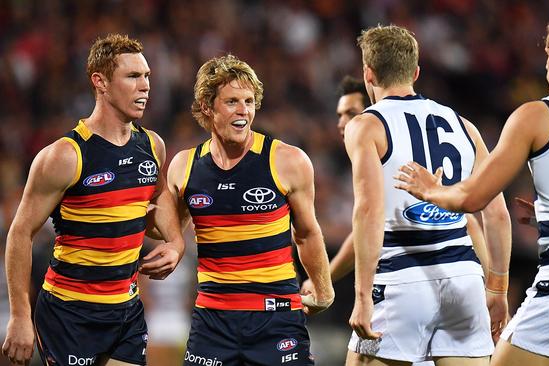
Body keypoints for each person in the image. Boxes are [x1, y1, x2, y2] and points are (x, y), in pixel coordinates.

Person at [395, 4, 549, 366]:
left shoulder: (537, 115)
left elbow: (471, 198)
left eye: (547, 55)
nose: (545, 65)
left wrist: (428, 189)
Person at [2, 34, 185, 366]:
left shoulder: (152, 146)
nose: (145, 86)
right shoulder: (64, 156)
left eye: (147, 77)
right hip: (69, 313)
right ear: (100, 82)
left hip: (126, 310)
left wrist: (175, 243)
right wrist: (19, 316)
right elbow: (20, 233)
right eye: (133, 76)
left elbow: (158, 204)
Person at [345, 25, 511, 365]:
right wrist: (498, 289)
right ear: (416, 72)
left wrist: (362, 296)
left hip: (400, 281)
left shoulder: (366, 125)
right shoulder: (463, 126)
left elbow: (368, 211)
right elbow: (496, 214)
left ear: (368, 73)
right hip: (464, 279)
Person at [166, 54, 335, 366]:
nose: (243, 110)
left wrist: (324, 292)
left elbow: (308, 233)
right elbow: (168, 232)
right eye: (232, 101)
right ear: (207, 106)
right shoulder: (184, 167)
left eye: (249, 101)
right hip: (212, 321)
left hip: (277, 319)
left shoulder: (287, 161)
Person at [301, 76, 491, 294]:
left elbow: (369, 220)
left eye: (351, 114)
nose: (343, 123)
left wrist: (326, 281)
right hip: (455, 280)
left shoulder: (391, 149)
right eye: (340, 115)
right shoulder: (408, 138)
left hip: (407, 282)